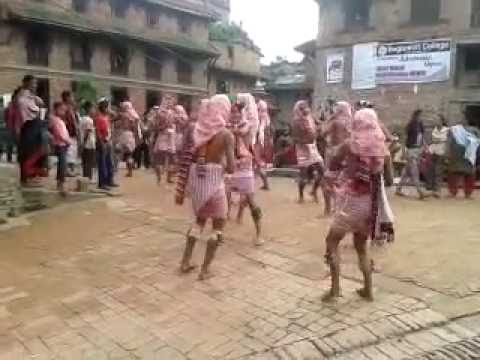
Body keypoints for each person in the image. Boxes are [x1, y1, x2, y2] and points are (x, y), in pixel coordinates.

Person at [322, 108, 387, 302]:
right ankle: (368, 289)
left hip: (351, 202)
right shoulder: (382, 149)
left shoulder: (350, 145)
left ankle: (335, 289)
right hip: (371, 205)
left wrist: (347, 170)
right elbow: (389, 179)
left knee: (332, 242)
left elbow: (332, 166)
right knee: (362, 248)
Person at [178, 95, 235, 280]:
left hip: (198, 184)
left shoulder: (196, 130)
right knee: (218, 226)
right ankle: (205, 270)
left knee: (199, 221)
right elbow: (232, 167)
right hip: (215, 184)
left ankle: (185, 262)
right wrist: (222, 163)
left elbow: (185, 154)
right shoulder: (226, 134)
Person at [229, 93, 264, 246]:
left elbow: (240, 132)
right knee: (224, 200)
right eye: (232, 113)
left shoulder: (246, 125)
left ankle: (258, 234)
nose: (234, 115)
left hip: (244, 166)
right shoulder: (226, 125)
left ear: (242, 112)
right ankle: (221, 232)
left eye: (237, 112)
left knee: (251, 201)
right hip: (230, 166)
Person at [292, 100, 327, 209]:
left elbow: (319, 124)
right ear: (299, 110)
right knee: (303, 175)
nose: (306, 109)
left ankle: (313, 191)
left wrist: (319, 128)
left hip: (313, 147)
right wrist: (306, 140)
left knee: (322, 171)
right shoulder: (296, 121)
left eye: (306, 107)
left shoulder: (310, 117)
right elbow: (295, 138)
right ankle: (301, 196)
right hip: (303, 148)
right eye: (303, 108)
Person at [322, 101, 352, 215]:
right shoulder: (352, 121)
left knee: (327, 182)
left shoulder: (335, 122)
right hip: (348, 154)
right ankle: (340, 208)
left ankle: (328, 209)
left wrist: (329, 119)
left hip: (335, 152)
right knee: (343, 181)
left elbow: (323, 133)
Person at [17, 75, 48, 186]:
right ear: (26, 83)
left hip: (34, 126)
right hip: (29, 126)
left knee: (33, 151)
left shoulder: (32, 97)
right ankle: (27, 178)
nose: (35, 86)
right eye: (33, 84)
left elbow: (39, 106)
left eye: (35, 84)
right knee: (29, 152)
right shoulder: (22, 98)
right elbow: (29, 111)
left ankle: (29, 177)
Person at [396, 109, 427, 199]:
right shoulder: (410, 125)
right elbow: (404, 138)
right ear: (416, 115)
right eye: (420, 116)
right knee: (414, 170)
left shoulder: (420, 125)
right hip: (411, 149)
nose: (421, 117)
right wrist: (403, 151)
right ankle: (420, 191)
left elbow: (421, 136)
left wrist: (425, 146)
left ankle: (398, 189)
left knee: (406, 171)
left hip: (418, 149)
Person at [446, 120, 480, 199]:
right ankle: (467, 193)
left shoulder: (455, 131)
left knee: (454, 174)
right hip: (469, 156)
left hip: (456, 156)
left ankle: (453, 192)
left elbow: (449, 144)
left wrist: (448, 156)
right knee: (469, 175)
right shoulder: (475, 131)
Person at [150, 94, 177, 184]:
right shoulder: (173, 112)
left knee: (159, 159)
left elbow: (155, 126)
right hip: (171, 135)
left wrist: (158, 128)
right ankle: (168, 178)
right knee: (171, 159)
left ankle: (159, 179)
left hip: (163, 135)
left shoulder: (160, 113)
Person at [49, 102, 71, 195]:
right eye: (61, 110)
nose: (63, 112)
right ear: (56, 109)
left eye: (64, 110)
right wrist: (67, 141)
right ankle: (61, 184)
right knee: (62, 165)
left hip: (63, 144)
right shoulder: (55, 120)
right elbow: (59, 134)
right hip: (60, 144)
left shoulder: (59, 120)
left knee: (62, 165)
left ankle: (60, 182)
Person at [94, 98, 117, 190]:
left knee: (109, 162)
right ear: (101, 107)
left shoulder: (106, 117)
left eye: (107, 105)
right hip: (102, 142)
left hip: (108, 141)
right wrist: (101, 142)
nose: (106, 107)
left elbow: (115, 116)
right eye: (104, 105)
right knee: (102, 163)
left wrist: (109, 110)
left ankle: (109, 180)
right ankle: (102, 183)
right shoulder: (98, 118)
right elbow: (98, 132)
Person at [427, 115, 449, 197]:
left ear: (442, 121)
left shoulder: (447, 130)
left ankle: (438, 189)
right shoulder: (434, 129)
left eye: (438, 120)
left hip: (441, 152)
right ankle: (431, 188)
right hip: (432, 151)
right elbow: (432, 140)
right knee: (431, 170)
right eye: (435, 120)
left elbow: (446, 141)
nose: (436, 122)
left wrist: (438, 140)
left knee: (438, 171)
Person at [117, 100, 140, 177]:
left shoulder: (123, 115)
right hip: (131, 135)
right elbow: (136, 128)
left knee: (125, 154)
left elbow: (117, 122)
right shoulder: (133, 116)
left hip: (124, 134)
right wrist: (137, 137)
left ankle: (128, 170)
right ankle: (130, 171)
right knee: (130, 154)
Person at [61, 91, 79, 176]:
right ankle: (67, 170)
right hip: (68, 132)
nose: (73, 99)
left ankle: (71, 170)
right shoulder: (64, 108)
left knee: (72, 152)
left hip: (73, 133)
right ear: (67, 97)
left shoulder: (71, 108)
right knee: (69, 152)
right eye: (72, 97)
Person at [254, 99, 271, 190]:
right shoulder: (266, 121)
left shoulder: (260, 121)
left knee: (258, 165)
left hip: (257, 145)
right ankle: (265, 185)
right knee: (258, 166)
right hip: (261, 145)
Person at [79, 101, 96, 180]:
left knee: (86, 162)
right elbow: (87, 133)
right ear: (89, 109)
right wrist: (83, 144)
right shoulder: (89, 120)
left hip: (86, 143)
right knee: (88, 163)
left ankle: (86, 179)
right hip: (88, 144)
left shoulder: (82, 119)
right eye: (93, 108)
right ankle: (88, 178)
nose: (94, 110)